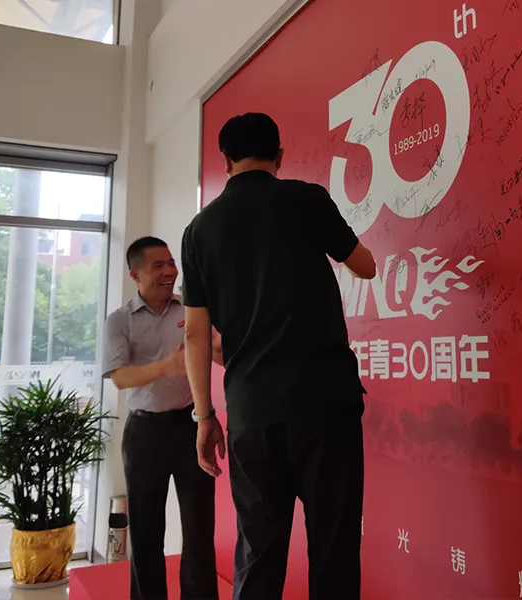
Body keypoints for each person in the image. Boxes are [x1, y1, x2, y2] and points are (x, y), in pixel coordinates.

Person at [179, 113, 377, 600]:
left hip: (252, 411)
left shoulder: (199, 230)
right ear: (280, 156)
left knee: (258, 550)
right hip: (326, 403)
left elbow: (196, 334)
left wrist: (204, 416)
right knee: (334, 546)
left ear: (225, 161)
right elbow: (366, 266)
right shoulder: (307, 199)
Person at [102, 236, 223, 600]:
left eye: (172, 263)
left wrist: (221, 349)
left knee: (199, 530)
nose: (170, 271)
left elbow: (216, 352)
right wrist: (166, 366)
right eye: (159, 265)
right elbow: (120, 377)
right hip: (144, 434)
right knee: (146, 531)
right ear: (135, 275)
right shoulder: (119, 320)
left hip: (190, 427)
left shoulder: (190, 309)